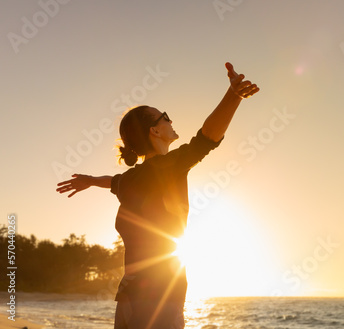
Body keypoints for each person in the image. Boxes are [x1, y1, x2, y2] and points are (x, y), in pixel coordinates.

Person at [56, 62, 259, 329]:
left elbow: (113, 182)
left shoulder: (131, 179)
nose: (171, 120)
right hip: (159, 299)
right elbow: (206, 138)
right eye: (164, 116)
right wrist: (233, 96)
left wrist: (91, 181)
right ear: (154, 130)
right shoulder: (169, 165)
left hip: (127, 299)